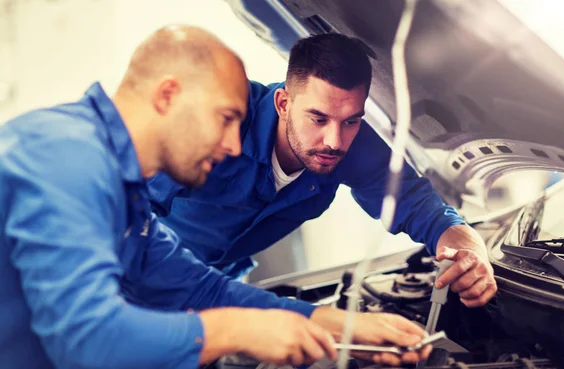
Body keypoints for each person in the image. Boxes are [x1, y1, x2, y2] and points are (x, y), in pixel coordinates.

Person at [0, 26, 430, 369]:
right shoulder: (66, 156)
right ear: (168, 95)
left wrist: (338, 324)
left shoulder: (121, 186)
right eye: (225, 118)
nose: (230, 145)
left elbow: (200, 289)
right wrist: (231, 332)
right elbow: (87, 341)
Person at [149, 33, 498, 308]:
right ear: (284, 103)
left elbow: (425, 210)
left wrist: (472, 253)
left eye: (350, 120)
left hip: (222, 282)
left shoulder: (355, 145)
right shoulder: (217, 121)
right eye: (318, 118)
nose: (335, 141)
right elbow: (125, 214)